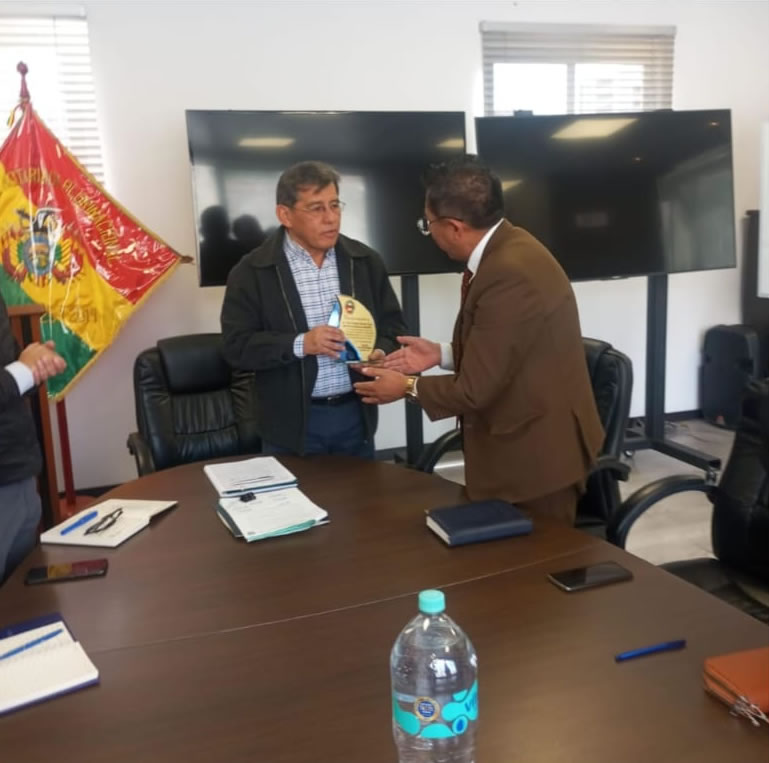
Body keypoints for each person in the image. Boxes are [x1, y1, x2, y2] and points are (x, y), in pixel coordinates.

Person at [354, 156, 604, 523]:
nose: (430, 234)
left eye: (428, 225)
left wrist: (405, 386)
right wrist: (440, 354)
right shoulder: (510, 246)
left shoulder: (509, 273)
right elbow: (508, 351)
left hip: (537, 462)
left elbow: (474, 390)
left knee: (534, 557)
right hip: (522, 442)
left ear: (454, 227)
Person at [221, 160, 406, 458]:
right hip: (289, 424)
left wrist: (380, 351)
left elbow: (394, 328)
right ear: (285, 215)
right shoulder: (252, 271)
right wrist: (301, 343)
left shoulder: (364, 261)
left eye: (335, 205)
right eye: (317, 208)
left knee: (360, 490)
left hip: (355, 415)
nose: (331, 218)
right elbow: (236, 347)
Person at [0, 293, 66, 583]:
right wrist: (21, 371)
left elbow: (10, 367)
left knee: (25, 598)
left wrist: (36, 365)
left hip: (20, 474)